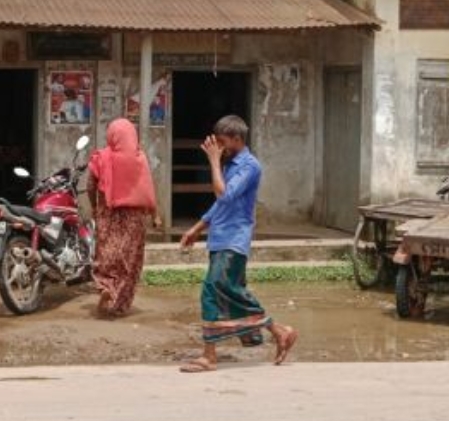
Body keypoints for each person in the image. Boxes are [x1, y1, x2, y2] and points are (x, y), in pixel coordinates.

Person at [178, 115, 297, 373]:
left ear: (237, 139)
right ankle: (279, 331)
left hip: (234, 240)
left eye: (223, 143)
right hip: (220, 238)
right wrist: (197, 228)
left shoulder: (249, 166)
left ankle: (210, 356)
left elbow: (225, 194)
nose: (219, 148)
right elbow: (220, 205)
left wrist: (212, 161)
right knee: (229, 293)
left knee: (213, 290)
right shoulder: (229, 165)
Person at [88, 118, 158, 317]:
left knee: (106, 254)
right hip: (134, 218)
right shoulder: (140, 158)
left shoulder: (100, 158)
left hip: (107, 214)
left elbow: (91, 186)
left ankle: (106, 286)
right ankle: (119, 304)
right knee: (130, 259)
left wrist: (94, 207)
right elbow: (148, 189)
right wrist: (155, 214)